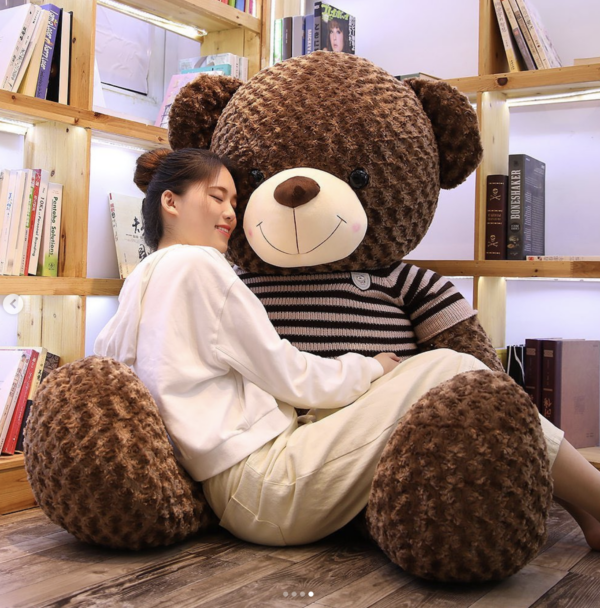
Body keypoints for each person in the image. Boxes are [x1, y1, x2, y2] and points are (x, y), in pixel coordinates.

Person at [95, 148, 600, 551]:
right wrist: (371, 367)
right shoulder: (200, 266)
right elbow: (288, 372)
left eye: (234, 200)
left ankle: (587, 512)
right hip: (265, 485)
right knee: (454, 366)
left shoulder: (136, 284)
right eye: (217, 196)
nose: (231, 212)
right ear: (170, 202)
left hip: (241, 492)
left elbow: (118, 371)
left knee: (449, 371)